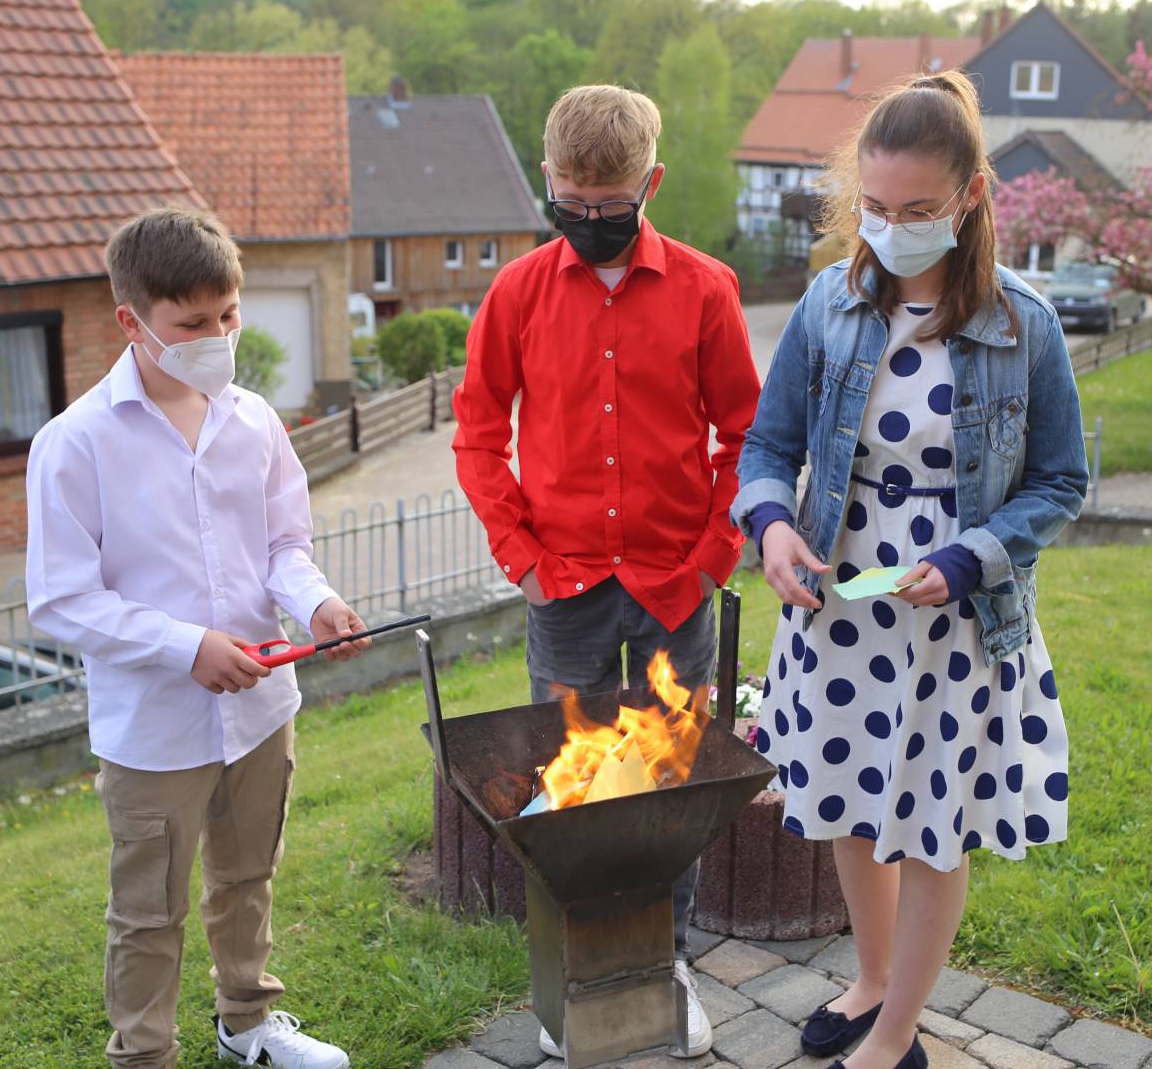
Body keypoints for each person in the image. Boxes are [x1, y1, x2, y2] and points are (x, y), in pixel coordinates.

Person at [730, 71, 1088, 1069]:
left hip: (956, 621)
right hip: (840, 609)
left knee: (934, 829)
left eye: (919, 210)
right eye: (875, 208)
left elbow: (1062, 481)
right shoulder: (830, 306)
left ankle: (895, 1033)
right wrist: (769, 528)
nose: (891, 230)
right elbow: (766, 448)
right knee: (848, 800)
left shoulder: (1026, 325)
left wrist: (972, 559)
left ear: (971, 196)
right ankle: (873, 978)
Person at [452, 84, 762, 1059]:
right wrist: (522, 557)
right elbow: (474, 435)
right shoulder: (515, 294)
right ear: (550, 183)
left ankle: (666, 961)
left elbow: (744, 436)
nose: (588, 223)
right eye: (570, 206)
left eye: (608, 206)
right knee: (578, 792)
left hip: (677, 587)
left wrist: (714, 554)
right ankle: (587, 967)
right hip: (567, 594)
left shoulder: (709, 289)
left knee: (669, 784)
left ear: (650, 184)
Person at [26, 206, 361, 1069]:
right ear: (131, 322)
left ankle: (248, 1023)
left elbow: (284, 546)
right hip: (153, 730)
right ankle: (144, 1055)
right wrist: (187, 646)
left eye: (229, 315)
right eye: (193, 323)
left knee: (248, 881)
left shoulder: (253, 420)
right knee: (147, 912)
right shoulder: (74, 444)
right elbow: (60, 602)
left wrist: (317, 602)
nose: (218, 336)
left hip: (261, 709)